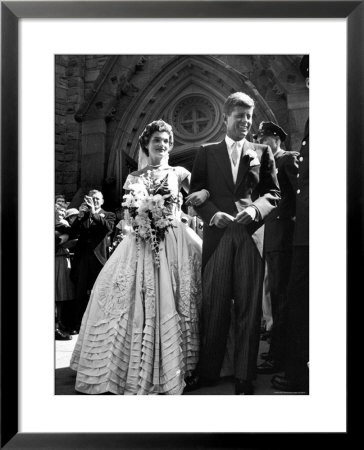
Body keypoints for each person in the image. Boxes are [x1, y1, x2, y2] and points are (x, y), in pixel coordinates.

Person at [70, 119, 209, 395]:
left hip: (174, 239)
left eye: (167, 141)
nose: (163, 145)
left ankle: (184, 367)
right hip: (141, 239)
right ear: (147, 143)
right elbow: (127, 213)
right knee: (122, 292)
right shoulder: (134, 177)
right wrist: (141, 217)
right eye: (157, 140)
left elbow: (196, 200)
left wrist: (196, 203)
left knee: (181, 293)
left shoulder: (179, 173)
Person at [187, 92, 281, 394]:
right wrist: (211, 214)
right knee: (214, 305)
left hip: (250, 235)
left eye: (249, 117)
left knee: (248, 307)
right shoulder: (206, 151)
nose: (245, 122)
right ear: (226, 117)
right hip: (217, 237)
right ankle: (210, 372)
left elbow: (273, 194)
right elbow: (198, 192)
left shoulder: (262, 151)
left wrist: (255, 209)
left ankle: (244, 374)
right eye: (240, 116)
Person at [271, 55, 309, 393]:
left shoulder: (286, 159)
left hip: (297, 232)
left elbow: (299, 191)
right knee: (285, 296)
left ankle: (294, 366)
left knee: (292, 296)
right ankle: (288, 360)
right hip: (291, 233)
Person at [255, 121, 299, 374]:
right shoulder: (268, 166)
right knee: (274, 295)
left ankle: (279, 356)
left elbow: (301, 195)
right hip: (271, 236)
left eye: (265, 139)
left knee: (281, 297)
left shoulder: (287, 160)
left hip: (284, 235)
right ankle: (278, 351)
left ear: (276, 139)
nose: (262, 144)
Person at [70, 189, 116, 332]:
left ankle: (99, 324)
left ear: (102, 201)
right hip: (83, 258)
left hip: (99, 259)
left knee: (100, 292)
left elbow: (108, 228)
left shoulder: (108, 215)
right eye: (91, 198)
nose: (93, 201)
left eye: (96, 199)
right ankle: (79, 324)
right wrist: (80, 216)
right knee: (80, 291)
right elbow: (74, 231)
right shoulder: (84, 214)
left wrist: (95, 212)